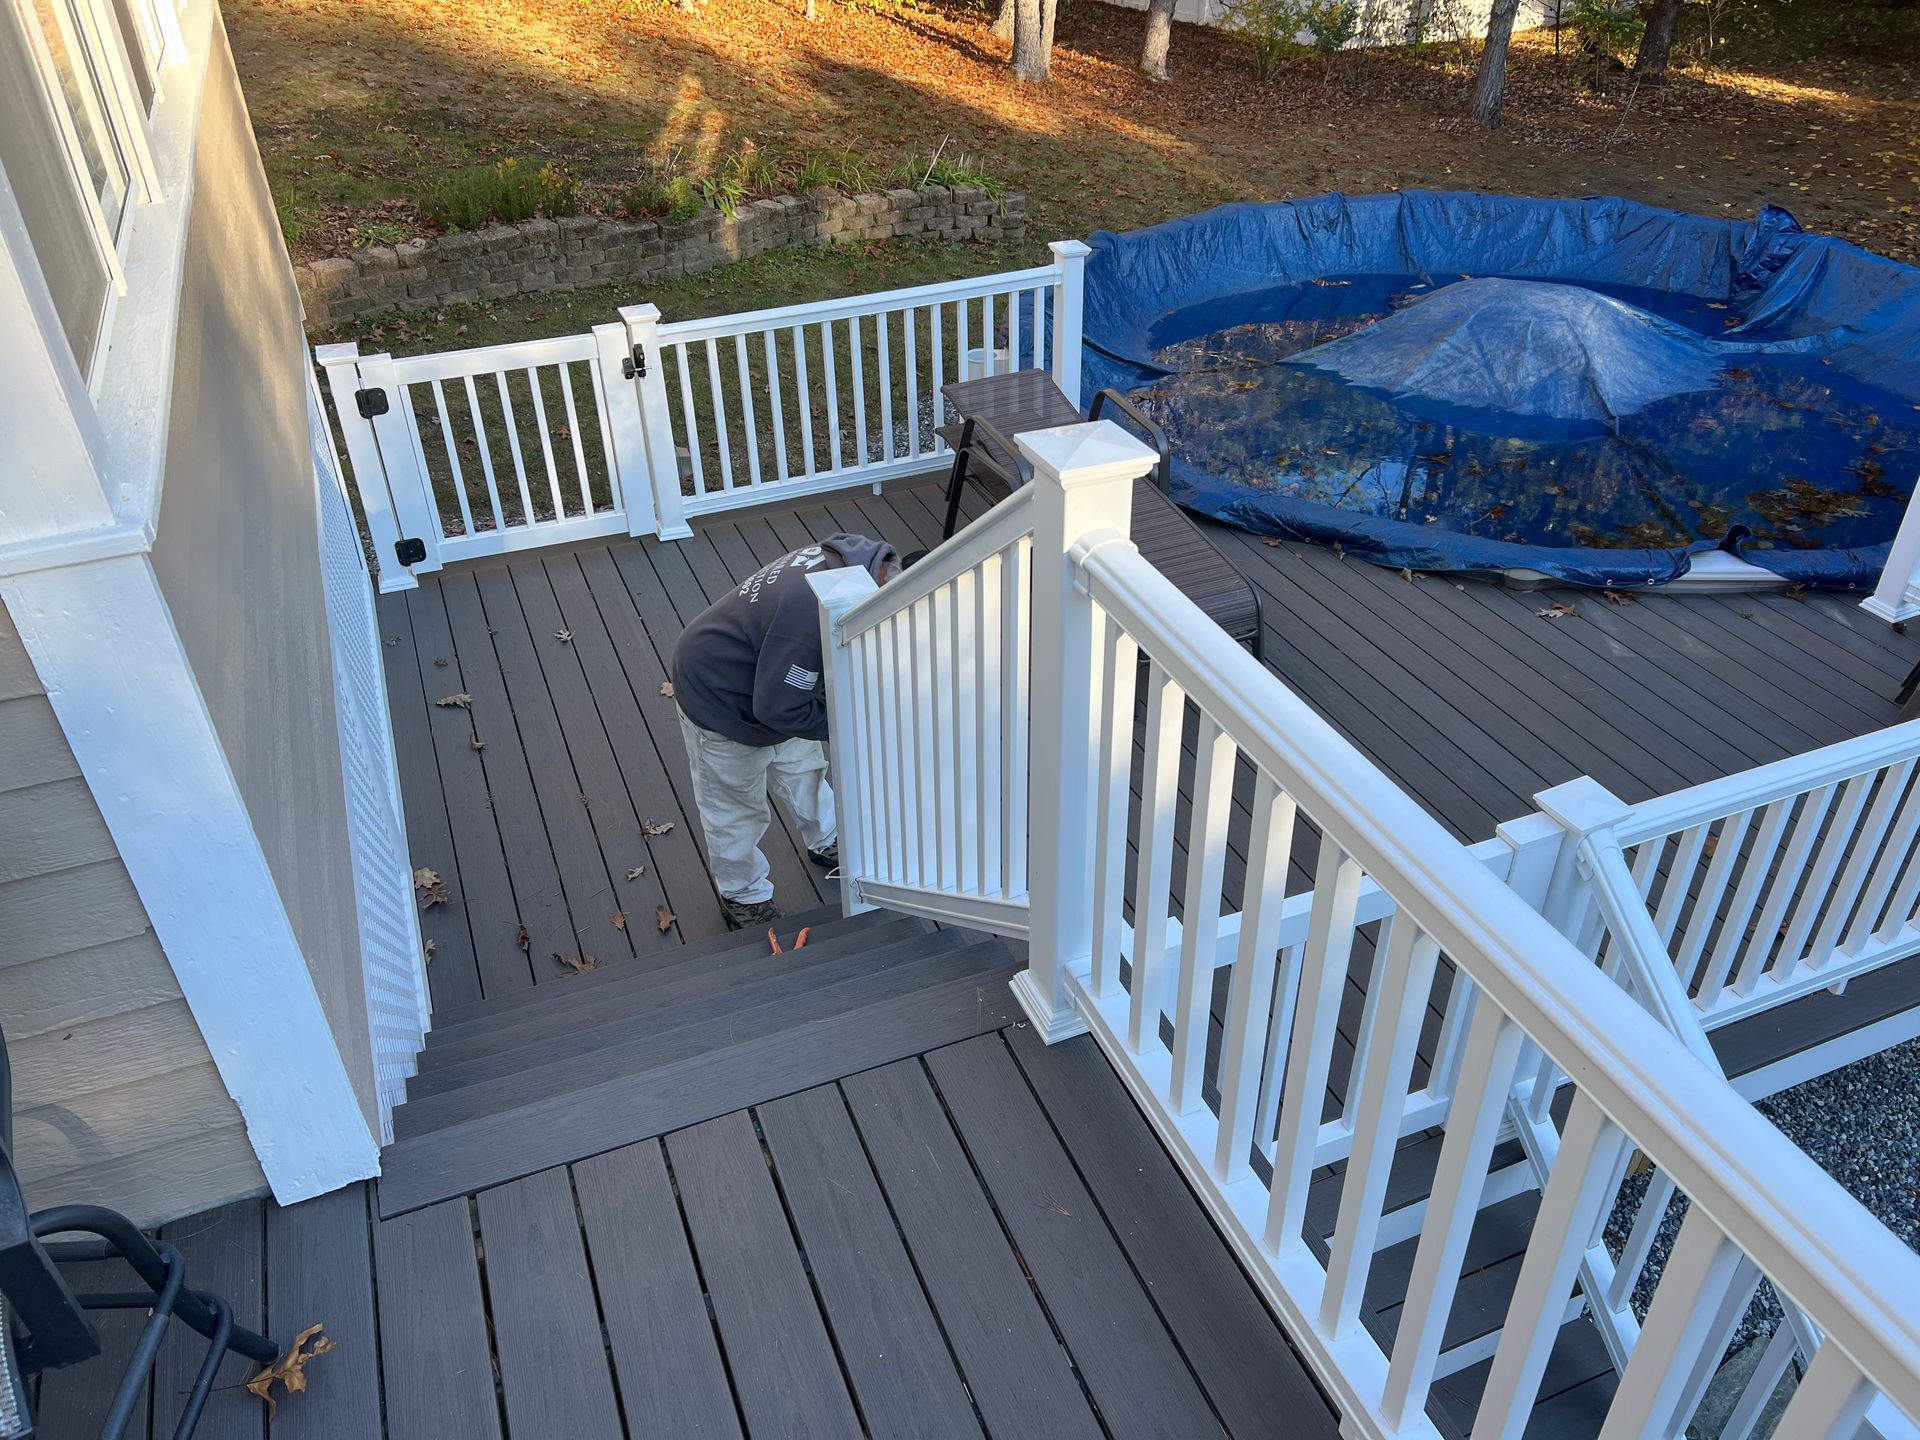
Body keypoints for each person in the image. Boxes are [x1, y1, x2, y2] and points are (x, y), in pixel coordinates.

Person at [672, 534, 901, 928]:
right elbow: (777, 708)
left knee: (804, 770)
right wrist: (845, 726)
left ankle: (826, 837)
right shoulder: (808, 621)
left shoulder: (858, 563)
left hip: (776, 679)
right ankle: (742, 895)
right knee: (735, 808)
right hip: (721, 697)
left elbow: (787, 698)